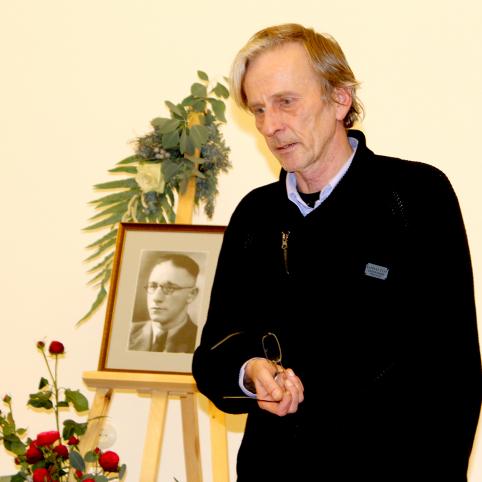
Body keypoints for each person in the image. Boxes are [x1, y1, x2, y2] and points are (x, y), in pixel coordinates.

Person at [192, 23, 482, 481]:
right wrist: (251, 372)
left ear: (340, 99)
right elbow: (212, 357)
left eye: (286, 102)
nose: (270, 126)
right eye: (259, 109)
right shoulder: (254, 215)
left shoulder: (415, 197)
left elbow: (454, 374)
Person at [128, 253, 200, 353]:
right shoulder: (126, 333)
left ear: (191, 294)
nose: (156, 298)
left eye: (169, 288)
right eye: (153, 286)